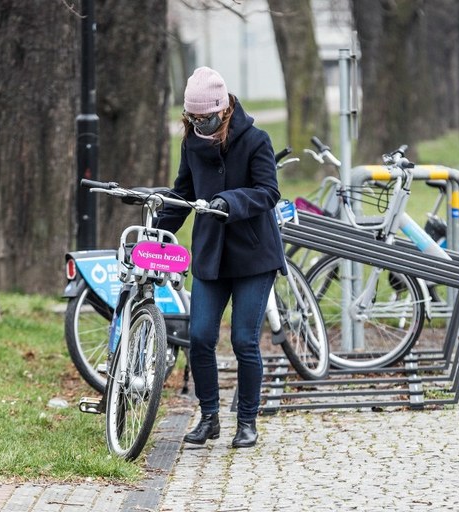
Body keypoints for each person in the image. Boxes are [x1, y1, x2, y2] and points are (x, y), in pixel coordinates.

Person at [156, 66, 286, 448]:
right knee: (199, 338)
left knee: (245, 340)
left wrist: (229, 201)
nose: (201, 125)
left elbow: (268, 192)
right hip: (212, 256)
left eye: (207, 118)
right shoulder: (191, 143)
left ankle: (247, 421)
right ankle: (209, 416)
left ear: (224, 109)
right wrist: (159, 226)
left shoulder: (256, 140)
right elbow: (182, 193)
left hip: (253, 256)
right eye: (193, 119)